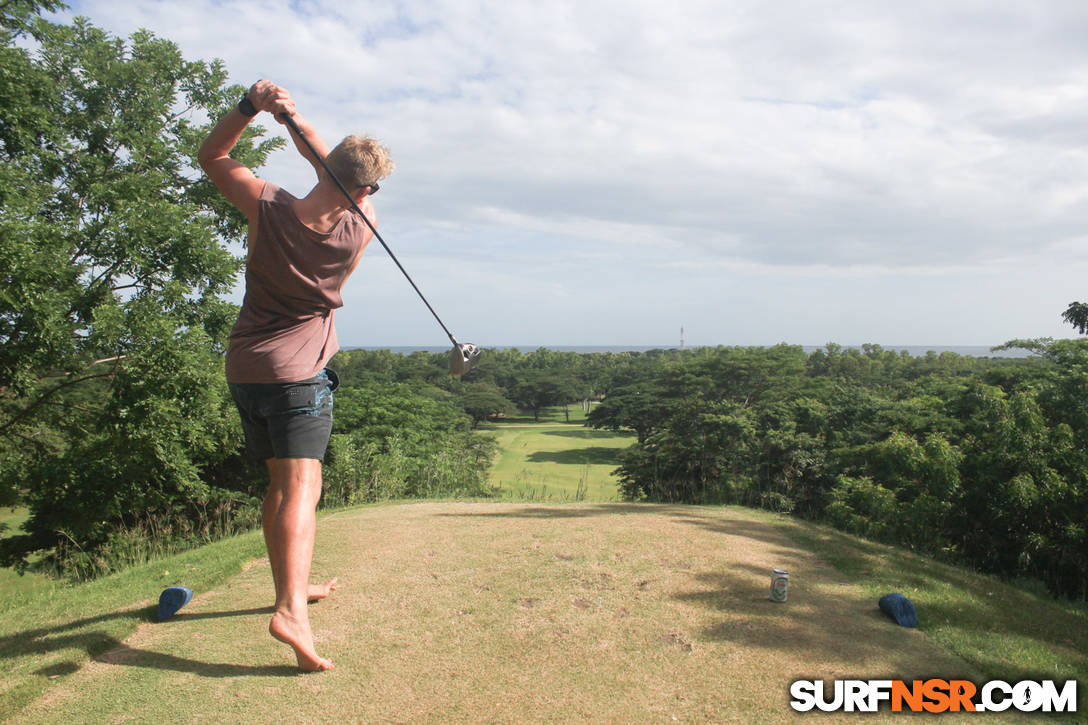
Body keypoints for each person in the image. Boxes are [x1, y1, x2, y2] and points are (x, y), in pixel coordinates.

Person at [198, 80, 393, 672]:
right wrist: (296, 123)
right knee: (302, 489)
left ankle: (295, 585)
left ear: (323, 166)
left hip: (246, 369)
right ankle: (290, 612)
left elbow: (211, 156)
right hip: (299, 376)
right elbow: (330, 167)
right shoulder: (361, 224)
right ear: (366, 188)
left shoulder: (265, 202)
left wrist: (257, 108)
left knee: (278, 487)